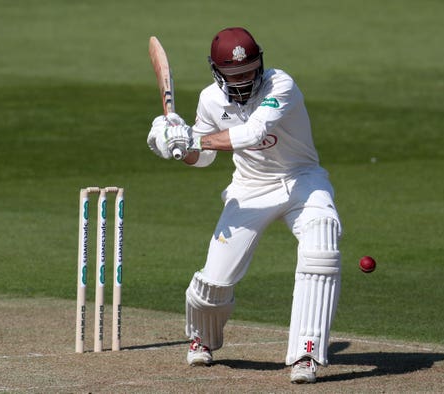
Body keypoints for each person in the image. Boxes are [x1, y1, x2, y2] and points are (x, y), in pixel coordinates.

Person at [146, 27, 342, 384]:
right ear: (217, 72)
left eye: (249, 70)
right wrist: (174, 146)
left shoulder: (280, 84)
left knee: (322, 244)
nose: (244, 80)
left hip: (302, 180)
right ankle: (202, 338)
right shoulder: (210, 100)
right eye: (234, 74)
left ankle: (307, 354)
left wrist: (191, 135)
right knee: (215, 282)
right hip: (249, 189)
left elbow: (252, 134)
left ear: (260, 64)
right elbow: (201, 157)